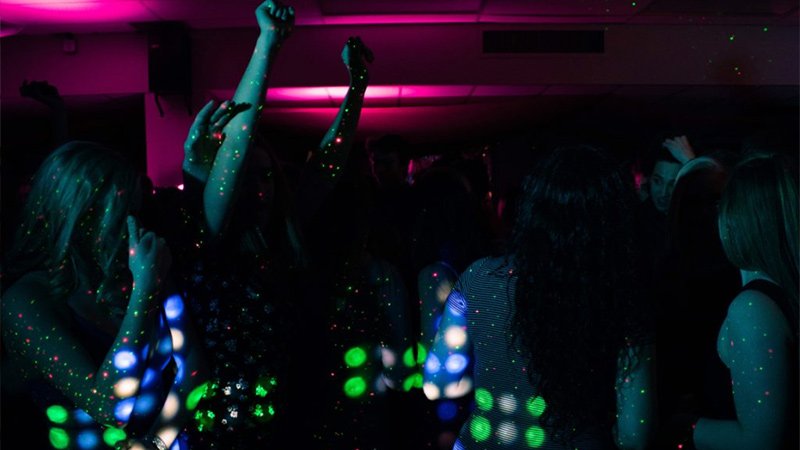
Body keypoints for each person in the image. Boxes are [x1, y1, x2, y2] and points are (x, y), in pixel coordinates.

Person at [424, 146, 655, 449]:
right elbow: (634, 436)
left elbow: (438, 384)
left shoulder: (478, 276)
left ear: (532, 209)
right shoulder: (622, 294)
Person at [2, 141, 205, 450]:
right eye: (120, 212)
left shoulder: (140, 269)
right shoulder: (25, 300)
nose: (132, 224)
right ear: (76, 214)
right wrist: (145, 290)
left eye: (135, 209)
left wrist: (156, 443)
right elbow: (110, 407)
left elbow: (194, 367)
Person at [684, 154, 798, 450]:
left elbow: (760, 441)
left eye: (720, 206)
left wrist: (686, 428)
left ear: (734, 220)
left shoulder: (753, 309)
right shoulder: (775, 296)